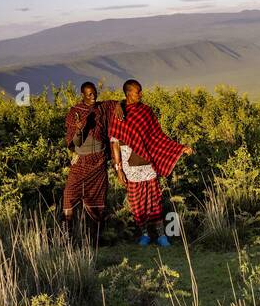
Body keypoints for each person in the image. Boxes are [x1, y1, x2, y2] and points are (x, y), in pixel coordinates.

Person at [108, 79, 193, 246]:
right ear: (128, 93)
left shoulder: (146, 111)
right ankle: (145, 235)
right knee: (137, 204)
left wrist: (180, 148)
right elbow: (114, 143)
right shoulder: (119, 114)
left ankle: (162, 236)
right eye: (137, 91)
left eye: (140, 91)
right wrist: (118, 170)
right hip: (130, 167)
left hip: (148, 164)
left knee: (155, 201)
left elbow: (158, 137)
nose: (140, 94)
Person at [62, 82, 116, 245]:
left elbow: (117, 104)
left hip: (98, 160)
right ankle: (66, 237)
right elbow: (75, 143)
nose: (93, 96)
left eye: (94, 93)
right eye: (89, 94)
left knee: (98, 200)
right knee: (69, 195)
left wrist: (119, 106)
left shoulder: (102, 108)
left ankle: (95, 239)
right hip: (81, 161)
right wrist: (80, 129)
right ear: (82, 95)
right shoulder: (75, 112)